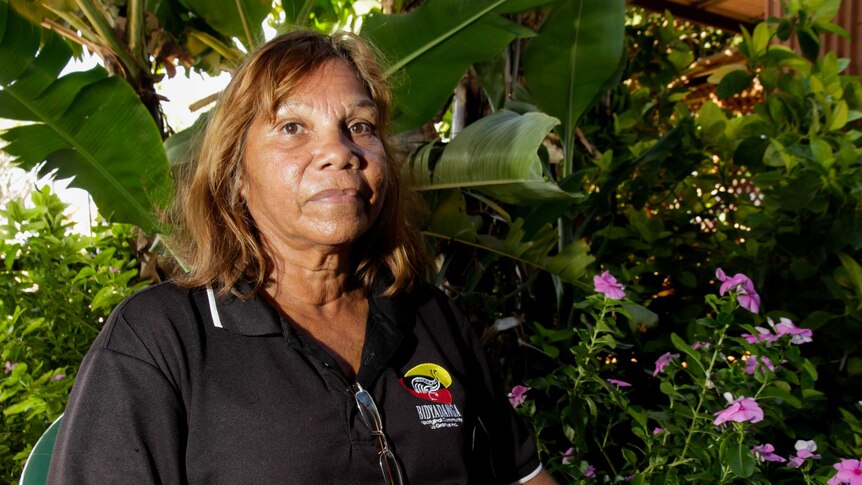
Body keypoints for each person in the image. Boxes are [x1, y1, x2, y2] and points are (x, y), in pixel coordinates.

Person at [47, 30, 556, 484]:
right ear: (236, 174)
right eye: (292, 127)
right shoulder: (162, 339)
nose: (340, 152)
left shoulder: (429, 317)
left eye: (359, 126)